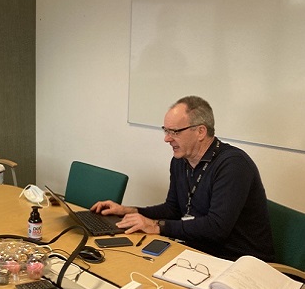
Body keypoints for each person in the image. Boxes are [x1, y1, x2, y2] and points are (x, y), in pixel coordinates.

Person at [91, 96, 275, 262]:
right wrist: (127, 210)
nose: (166, 139)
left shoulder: (233, 165)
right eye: (165, 130)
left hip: (239, 261)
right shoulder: (180, 161)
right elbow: (173, 209)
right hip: (198, 251)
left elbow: (217, 227)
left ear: (201, 132)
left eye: (174, 132)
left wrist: (156, 226)